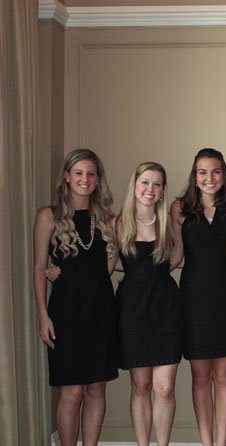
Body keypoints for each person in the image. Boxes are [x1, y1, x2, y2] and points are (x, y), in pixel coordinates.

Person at [33, 149, 118, 446]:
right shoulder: (49, 216)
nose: (85, 179)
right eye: (79, 173)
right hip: (65, 314)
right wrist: (43, 315)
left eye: (91, 174)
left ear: (98, 180)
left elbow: (107, 268)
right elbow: (39, 267)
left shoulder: (107, 219)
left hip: (101, 312)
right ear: (67, 177)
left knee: (96, 389)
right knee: (71, 391)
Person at [170, 148, 226, 446]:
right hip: (194, 297)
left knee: (224, 376)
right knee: (200, 376)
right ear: (195, 176)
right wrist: (138, 271)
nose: (209, 177)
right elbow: (174, 255)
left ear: (223, 174)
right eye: (202, 172)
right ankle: (206, 442)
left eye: (215, 171)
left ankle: (222, 442)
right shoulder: (180, 207)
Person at [114, 162, 182, 446]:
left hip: (165, 307)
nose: (150, 189)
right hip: (132, 310)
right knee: (140, 386)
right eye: (145, 182)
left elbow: (177, 258)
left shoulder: (169, 221)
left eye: (157, 184)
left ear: (162, 190)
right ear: (135, 185)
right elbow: (109, 264)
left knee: (165, 388)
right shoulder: (118, 222)